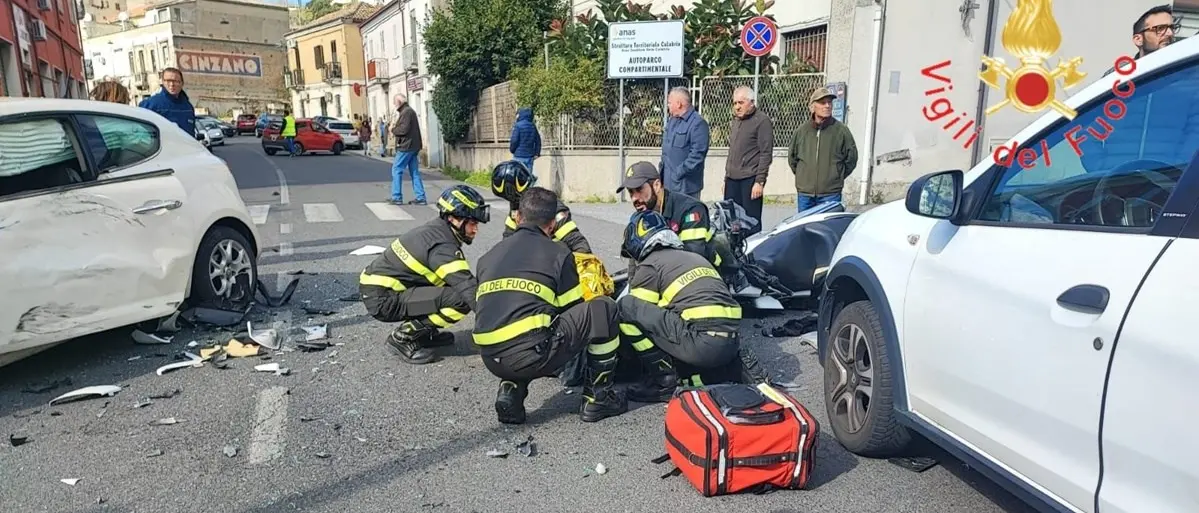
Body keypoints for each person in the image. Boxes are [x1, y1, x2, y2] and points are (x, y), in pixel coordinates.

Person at [473, 187, 626, 425]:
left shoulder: (490, 255)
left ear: (518, 217)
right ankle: (598, 399)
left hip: (490, 358)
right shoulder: (559, 254)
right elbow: (573, 309)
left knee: (522, 320)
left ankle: (511, 389)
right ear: (553, 224)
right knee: (602, 310)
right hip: (529, 355)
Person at [617, 210, 746, 399]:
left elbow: (640, 317)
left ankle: (663, 379)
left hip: (701, 346)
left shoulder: (650, 265)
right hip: (732, 344)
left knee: (626, 306)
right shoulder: (694, 258)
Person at [358, 185, 490, 365]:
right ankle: (403, 337)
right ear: (454, 218)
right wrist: (499, 324)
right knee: (460, 299)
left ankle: (424, 333)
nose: (476, 230)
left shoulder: (438, 229)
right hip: (384, 300)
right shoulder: (443, 247)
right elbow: (468, 290)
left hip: (383, 290)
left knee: (448, 285)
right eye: (473, 223)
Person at [617, 161, 717, 266]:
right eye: (631, 192)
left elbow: (693, 259)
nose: (634, 198)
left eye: (639, 189)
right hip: (668, 273)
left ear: (656, 185)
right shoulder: (644, 214)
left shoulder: (691, 210)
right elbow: (635, 260)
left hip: (706, 275)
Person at [492, 160, 591, 254]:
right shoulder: (516, 208)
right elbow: (508, 239)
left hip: (555, 261)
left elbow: (579, 244)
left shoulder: (551, 207)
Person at [788, 87, 858, 212]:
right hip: (805, 194)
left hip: (830, 194)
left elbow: (851, 158)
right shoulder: (801, 131)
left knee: (829, 229)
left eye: (829, 102)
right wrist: (803, 177)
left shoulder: (841, 131)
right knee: (805, 228)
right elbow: (792, 159)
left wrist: (837, 175)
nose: (827, 106)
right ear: (812, 106)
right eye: (822, 102)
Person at [724, 86, 772, 236]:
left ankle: (752, 255)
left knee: (751, 223)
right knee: (731, 222)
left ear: (751, 102)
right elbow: (733, 152)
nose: (737, 107)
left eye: (741, 103)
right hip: (732, 180)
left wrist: (760, 181)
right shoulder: (736, 121)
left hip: (750, 180)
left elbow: (766, 153)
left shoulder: (762, 121)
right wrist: (726, 178)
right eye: (735, 103)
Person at [659, 86, 710, 198]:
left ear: (679, 104)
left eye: (669, 103)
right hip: (668, 185)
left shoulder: (698, 124)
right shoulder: (672, 121)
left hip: (686, 187)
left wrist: (678, 173)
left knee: (686, 215)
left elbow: (697, 156)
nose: (668, 106)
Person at [1106, 5, 1177, 76]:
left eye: (1172, 28)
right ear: (1138, 40)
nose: (1170, 33)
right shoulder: (1117, 74)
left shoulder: (1181, 69)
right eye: (1160, 28)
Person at [391, 94, 426, 206]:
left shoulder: (406, 112)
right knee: (414, 172)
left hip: (406, 146)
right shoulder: (409, 111)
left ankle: (397, 197)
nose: (394, 105)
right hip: (414, 146)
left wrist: (393, 129)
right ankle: (421, 197)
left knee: (396, 169)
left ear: (399, 102)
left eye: (395, 102)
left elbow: (403, 130)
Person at [138, 67, 195, 136]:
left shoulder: (188, 107)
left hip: (186, 146)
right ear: (162, 82)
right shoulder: (150, 104)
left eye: (175, 81)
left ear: (182, 83)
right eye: (168, 81)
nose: (171, 84)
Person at [508, 107, 542, 173]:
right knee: (528, 177)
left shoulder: (518, 126)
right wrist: (537, 153)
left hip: (518, 156)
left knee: (517, 177)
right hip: (529, 157)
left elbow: (514, 140)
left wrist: (512, 150)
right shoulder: (533, 126)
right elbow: (538, 141)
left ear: (521, 115)